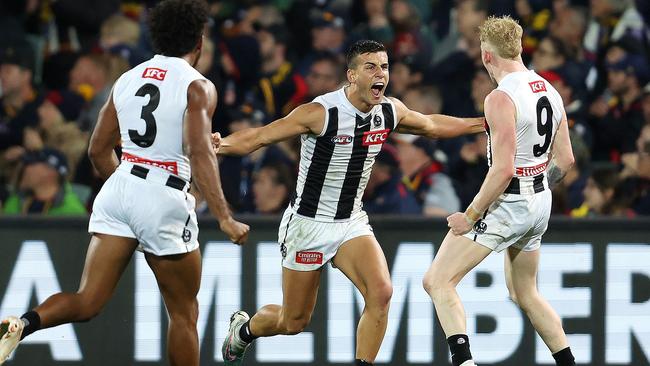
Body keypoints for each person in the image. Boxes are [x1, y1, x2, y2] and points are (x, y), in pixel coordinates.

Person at [0, 1, 249, 366]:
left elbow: (98, 149)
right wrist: (224, 217)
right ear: (199, 41)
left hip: (120, 188)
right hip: (164, 196)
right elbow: (200, 152)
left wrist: (128, 189)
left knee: (86, 301)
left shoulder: (129, 78)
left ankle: (22, 323)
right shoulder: (198, 86)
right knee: (184, 314)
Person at [216, 39, 484, 366]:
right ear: (351, 75)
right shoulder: (320, 113)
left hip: (351, 222)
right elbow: (259, 136)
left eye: (384, 66)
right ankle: (245, 330)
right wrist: (217, 146)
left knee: (382, 293)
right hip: (308, 226)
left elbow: (429, 125)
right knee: (294, 322)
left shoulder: (389, 110)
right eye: (370, 67)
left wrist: (481, 123)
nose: (380, 73)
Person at [422, 16, 576, 366]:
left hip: (508, 202)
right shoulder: (549, 89)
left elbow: (503, 169)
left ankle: (464, 362)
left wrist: (471, 216)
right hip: (539, 202)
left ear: (486, 56)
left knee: (438, 281)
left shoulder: (500, 97)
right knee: (525, 293)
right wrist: (537, 189)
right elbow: (565, 159)